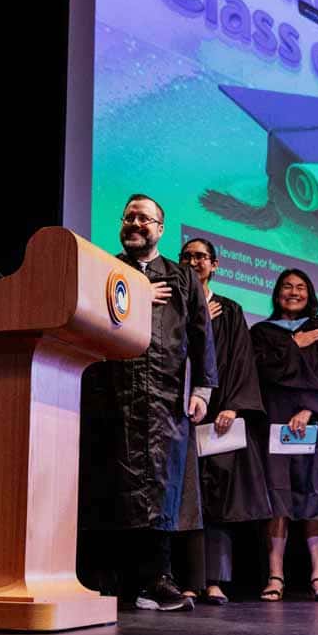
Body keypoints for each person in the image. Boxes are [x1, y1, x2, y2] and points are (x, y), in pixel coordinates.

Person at [79, 194, 218, 611]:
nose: (135, 223)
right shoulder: (105, 270)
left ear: (160, 228)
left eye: (145, 218)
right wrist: (135, 295)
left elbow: (200, 335)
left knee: (161, 487)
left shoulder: (180, 278)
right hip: (112, 393)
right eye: (129, 216)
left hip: (163, 394)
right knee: (112, 484)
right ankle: (113, 582)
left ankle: (158, 579)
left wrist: (203, 388)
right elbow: (83, 319)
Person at [174, 238, 271, 605]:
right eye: (187, 256)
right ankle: (185, 581)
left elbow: (242, 361)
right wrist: (191, 322)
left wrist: (233, 405)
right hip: (174, 413)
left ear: (214, 265)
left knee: (216, 501)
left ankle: (214, 580)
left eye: (201, 257)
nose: (194, 261)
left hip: (216, 417)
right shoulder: (169, 304)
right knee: (181, 499)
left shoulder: (229, 310)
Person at [249, 269, 318, 603]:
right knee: (277, 498)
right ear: (276, 294)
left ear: (311, 295)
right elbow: (259, 370)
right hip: (274, 420)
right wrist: (293, 345)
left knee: (316, 498)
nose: (293, 292)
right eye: (287, 287)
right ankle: (275, 576)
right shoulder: (261, 332)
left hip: (314, 423)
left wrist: (308, 410)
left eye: (301, 287)